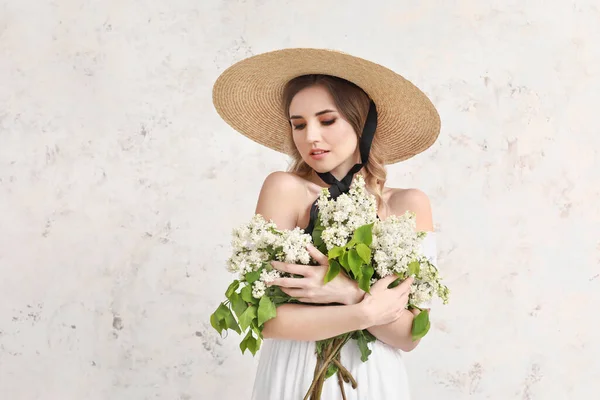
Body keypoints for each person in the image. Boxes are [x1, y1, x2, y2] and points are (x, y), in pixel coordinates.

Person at [212, 48, 441, 400]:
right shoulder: (285, 189)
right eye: (299, 124)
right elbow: (268, 321)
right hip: (295, 374)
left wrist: (347, 292)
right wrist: (365, 311)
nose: (310, 137)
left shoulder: (408, 205)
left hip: (373, 379)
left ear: (361, 123)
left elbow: (410, 335)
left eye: (327, 120)